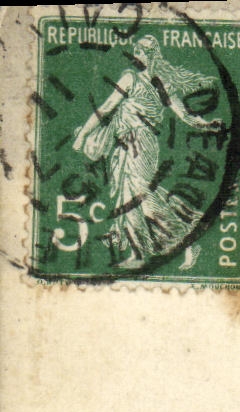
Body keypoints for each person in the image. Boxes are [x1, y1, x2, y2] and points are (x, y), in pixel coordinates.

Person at [70, 36, 224, 270]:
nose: (135, 54)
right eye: (135, 50)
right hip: (125, 143)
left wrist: (206, 125)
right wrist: (206, 125)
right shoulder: (138, 79)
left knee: (140, 195)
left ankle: (185, 238)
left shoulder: (144, 81)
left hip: (140, 142)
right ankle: (140, 251)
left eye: (140, 51)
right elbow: (107, 108)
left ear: (150, 55)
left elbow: (182, 114)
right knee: (130, 195)